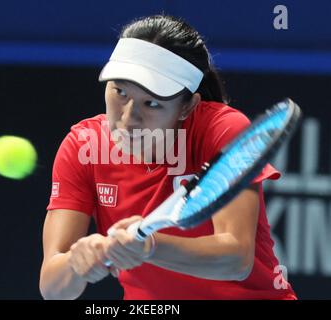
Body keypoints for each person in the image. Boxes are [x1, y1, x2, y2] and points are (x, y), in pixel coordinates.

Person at [39, 15, 296, 300]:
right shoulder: (82, 146)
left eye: (152, 103)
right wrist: (78, 264)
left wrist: (149, 246)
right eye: (119, 91)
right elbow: (52, 289)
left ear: (187, 107)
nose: (128, 120)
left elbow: (236, 259)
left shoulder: (221, 129)